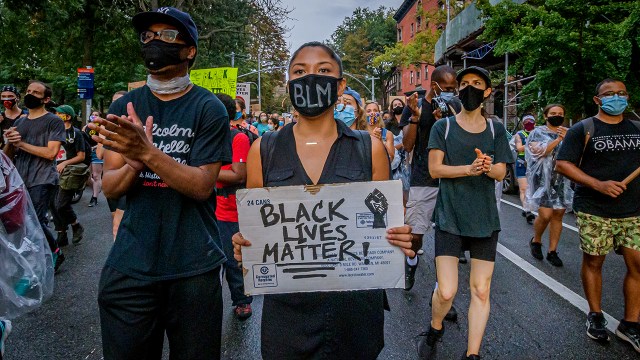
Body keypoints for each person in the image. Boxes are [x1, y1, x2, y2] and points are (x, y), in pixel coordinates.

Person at [232, 41, 414, 359]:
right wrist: (244, 246)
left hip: (355, 314)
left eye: (324, 70)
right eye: (300, 71)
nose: (311, 78)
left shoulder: (370, 149)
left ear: (340, 85)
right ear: (289, 84)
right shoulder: (263, 150)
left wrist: (397, 233)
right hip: (288, 317)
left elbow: (380, 215)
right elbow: (256, 227)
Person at [91, 7, 231, 359]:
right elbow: (110, 186)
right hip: (131, 266)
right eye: (148, 36)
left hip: (193, 267)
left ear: (190, 51)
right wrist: (134, 164)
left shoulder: (209, 108)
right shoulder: (125, 105)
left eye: (168, 36)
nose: (155, 42)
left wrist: (147, 153)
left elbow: (202, 186)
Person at [419, 66, 513, 360]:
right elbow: (435, 169)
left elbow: (500, 172)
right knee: (446, 291)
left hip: (485, 220)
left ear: (487, 92)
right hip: (450, 219)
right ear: (457, 90)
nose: (469, 87)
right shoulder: (442, 127)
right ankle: (435, 328)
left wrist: (486, 166)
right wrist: (468, 169)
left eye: (477, 83)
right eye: (464, 83)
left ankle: (472, 354)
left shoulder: (496, 129)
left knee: (481, 291)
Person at [556, 78, 640, 352]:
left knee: (637, 265)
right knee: (594, 262)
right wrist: (597, 184)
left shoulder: (637, 128)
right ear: (597, 99)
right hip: (595, 209)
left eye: (622, 93)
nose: (617, 97)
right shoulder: (583, 129)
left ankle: (630, 324)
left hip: (634, 210)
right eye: (609, 94)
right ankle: (595, 314)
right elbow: (563, 164)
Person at [401, 65, 463, 291]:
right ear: (434, 85)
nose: (450, 92)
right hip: (423, 177)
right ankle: (411, 261)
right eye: (446, 88)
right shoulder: (415, 105)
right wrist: (416, 118)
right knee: (416, 234)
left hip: (450, 178)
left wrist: (451, 117)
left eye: (453, 88)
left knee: (447, 237)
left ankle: (443, 291)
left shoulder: (457, 105)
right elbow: (407, 145)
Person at [3, 80, 66, 272]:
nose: (30, 94)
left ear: (46, 99)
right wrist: (10, 142)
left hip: (43, 178)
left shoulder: (53, 121)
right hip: (21, 179)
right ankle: (36, 258)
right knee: (23, 222)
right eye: (28, 91)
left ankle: (53, 253)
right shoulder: (20, 121)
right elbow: (8, 155)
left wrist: (20, 144)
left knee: (36, 221)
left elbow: (50, 153)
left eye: (36, 92)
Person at [213, 92, 254, 319]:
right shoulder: (204, 138)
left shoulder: (238, 138)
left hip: (232, 210)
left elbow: (239, 175)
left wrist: (203, 174)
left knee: (233, 260)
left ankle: (242, 300)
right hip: (208, 209)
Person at [525, 104, 572, 267]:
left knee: (558, 214)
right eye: (553, 113)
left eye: (560, 113)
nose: (557, 115)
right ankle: (536, 241)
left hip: (561, 179)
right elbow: (540, 152)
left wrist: (568, 138)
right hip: (542, 179)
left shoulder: (569, 133)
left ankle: (553, 251)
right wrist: (559, 139)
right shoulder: (536, 133)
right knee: (545, 215)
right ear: (546, 116)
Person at [51, 105, 86, 246]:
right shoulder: (52, 131)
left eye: (60, 113)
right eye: (56, 113)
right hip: (51, 172)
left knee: (61, 204)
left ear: (68, 116)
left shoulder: (76, 133)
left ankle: (76, 225)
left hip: (69, 174)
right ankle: (61, 233)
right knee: (53, 205)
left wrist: (64, 163)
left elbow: (81, 156)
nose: (57, 115)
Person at [99, 91, 128, 240]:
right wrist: (106, 138)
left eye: (120, 101)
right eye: (114, 101)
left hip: (129, 180)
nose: (117, 105)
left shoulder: (133, 129)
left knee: (119, 224)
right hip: (111, 180)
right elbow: (99, 154)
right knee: (114, 219)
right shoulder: (107, 129)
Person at [515, 115, 536, 224]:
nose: (529, 123)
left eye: (531, 122)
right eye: (527, 122)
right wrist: (530, 144)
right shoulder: (519, 135)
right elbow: (519, 148)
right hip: (522, 163)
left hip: (534, 165)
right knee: (523, 188)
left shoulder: (538, 134)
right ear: (523, 124)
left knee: (531, 189)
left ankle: (527, 208)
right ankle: (527, 210)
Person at [86, 110, 103, 207]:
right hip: (87, 153)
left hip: (96, 153)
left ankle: (94, 197)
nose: (94, 116)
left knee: (96, 175)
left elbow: (103, 141)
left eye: (96, 115)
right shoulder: (86, 127)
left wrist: (96, 147)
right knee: (86, 176)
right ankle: (97, 187)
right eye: (92, 115)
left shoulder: (101, 128)